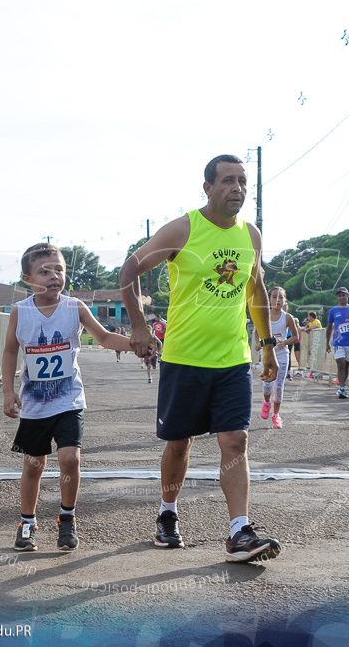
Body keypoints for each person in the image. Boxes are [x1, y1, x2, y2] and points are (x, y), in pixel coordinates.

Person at [119, 154, 281, 564]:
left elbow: (256, 290)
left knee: (236, 440)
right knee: (179, 443)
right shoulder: (185, 228)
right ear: (207, 187)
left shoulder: (252, 236)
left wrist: (267, 345)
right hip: (184, 358)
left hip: (232, 360)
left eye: (243, 182)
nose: (238, 189)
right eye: (228, 181)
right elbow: (130, 268)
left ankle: (239, 531)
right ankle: (168, 513)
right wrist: (138, 327)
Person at [2, 243, 134, 552]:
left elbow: (103, 337)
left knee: (69, 458)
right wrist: (8, 391)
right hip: (35, 402)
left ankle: (67, 518)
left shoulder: (74, 307)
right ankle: (27, 522)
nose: (53, 276)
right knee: (34, 464)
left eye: (59, 270)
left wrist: (134, 343)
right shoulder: (21, 312)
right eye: (44, 271)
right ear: (27, 279)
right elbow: (10, 350)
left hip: (69, 399)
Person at [254, 286, 298, 429]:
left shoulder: (288, 317)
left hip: (282, 355)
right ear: (269, 299)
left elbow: (296, 337)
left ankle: (276, 416)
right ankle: (266, 402)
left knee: (278, 387)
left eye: (280, 297)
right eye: (274, 297)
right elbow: (256, 331)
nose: (277, 300)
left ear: (284, 300)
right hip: (266, 355)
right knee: (267, 386)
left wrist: (285, 342)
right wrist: (258, 344)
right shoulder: (264, 315)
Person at [326, 286, 349, 399]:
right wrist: (327, 342)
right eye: (339, 295)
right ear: (337, 297)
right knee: (341, 364)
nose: (341, 297)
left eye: (343, 295)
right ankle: (341, 388)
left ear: (347, 296)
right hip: (337, 342)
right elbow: (329, 327)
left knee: (346, 366)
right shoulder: (333, 310)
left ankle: (343, 387)